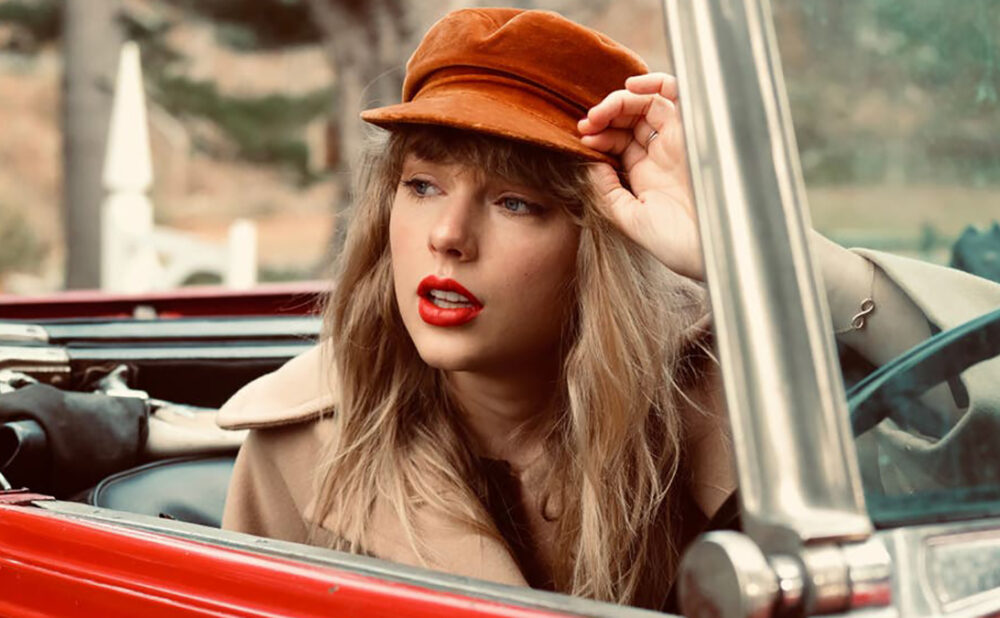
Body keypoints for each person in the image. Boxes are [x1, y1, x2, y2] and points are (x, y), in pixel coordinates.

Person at [216, 7, 1000, 611]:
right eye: (422, 187)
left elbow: (978, 427)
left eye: (516, 203)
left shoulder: (737, 395)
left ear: (596, 244)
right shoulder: (302, 448)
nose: (448, 237)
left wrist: (752, 244)